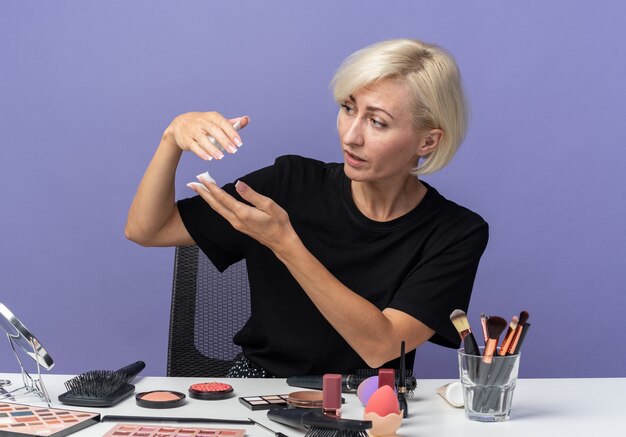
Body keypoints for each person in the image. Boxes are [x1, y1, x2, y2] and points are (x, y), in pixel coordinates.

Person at [125, 38, 488, 378]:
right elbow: (148, 230)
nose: (351, 136)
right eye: (348, 109)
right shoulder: (290, 182)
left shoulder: (455, 233)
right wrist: (170, 138)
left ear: (427, 141)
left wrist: (285, 244)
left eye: (377, 122)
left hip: (369, 400)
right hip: (260, 388)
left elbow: (381, 347)